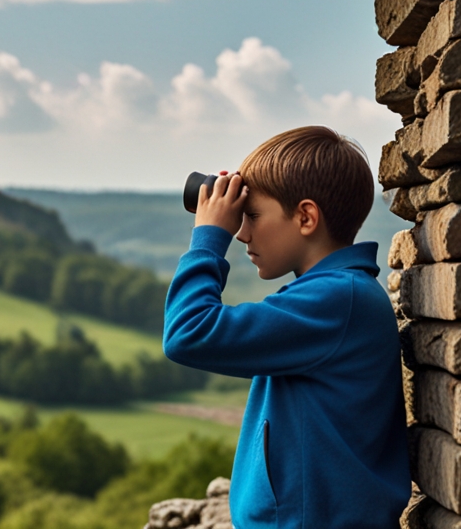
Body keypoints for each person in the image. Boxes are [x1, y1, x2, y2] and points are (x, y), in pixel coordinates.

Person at [163, 126, 410, 528]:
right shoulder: (334, 296)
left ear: (306, 217)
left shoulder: (337, 299)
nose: (241, 232)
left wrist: (208, 238)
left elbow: (187, 333)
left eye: (252, 215)